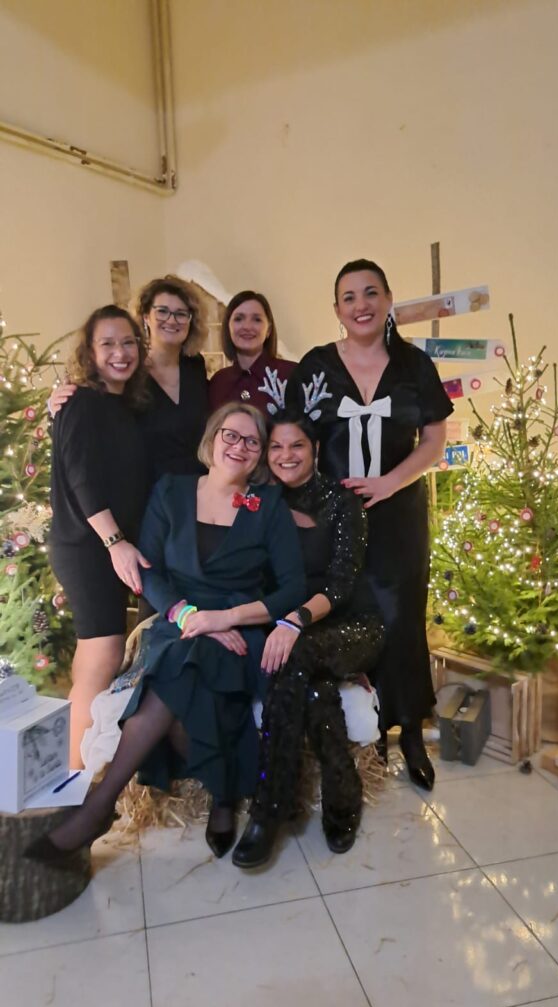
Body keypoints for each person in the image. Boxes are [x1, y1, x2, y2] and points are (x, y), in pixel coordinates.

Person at [26, 403, 306, 868]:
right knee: (180, 663)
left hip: (239, 630)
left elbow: (293, 588)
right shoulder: (171, 490)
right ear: (212, 439)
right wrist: (189, 615)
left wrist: (224, 619)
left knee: (179, 669)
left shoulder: (268, 505)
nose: (239, 447)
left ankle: (101, 806)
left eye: (252, 441)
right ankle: (221, 794)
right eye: (231, 435)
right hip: (179, 622)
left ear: (260, 455)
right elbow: (149, 570)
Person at [286, 259, 453, 791]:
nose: (361, 305)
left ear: (387, 299)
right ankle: (367, 730)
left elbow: (434, 440)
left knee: (401, 618)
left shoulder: (413, 365)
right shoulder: (315, 366)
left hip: (398, 512)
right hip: (333, 516)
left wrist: (389, 483)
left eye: (371, 292)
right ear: (337, 309)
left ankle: (408, 729)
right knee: (349, 614)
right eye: (349, 297)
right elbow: (294, 439)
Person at [232, 412, 386, 868]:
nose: (286, 455)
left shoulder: (343, 501)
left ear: (315, 450)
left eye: (296, 445)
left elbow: (341, 585)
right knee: (316, 691)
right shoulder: (258, 503)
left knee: (296, 653)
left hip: (351, 625)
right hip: (293, 630)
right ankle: (343, 795)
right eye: (276, 447)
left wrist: (295, 621)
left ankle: (268, 809)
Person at [48, 305, 150, 768]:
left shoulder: (122, 406)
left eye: (128, 342)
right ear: (90, 352)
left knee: (100, 653)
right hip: (88, 547)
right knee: (102, 652)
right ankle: (74, 774)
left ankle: (82, 765)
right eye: (107, 344)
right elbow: (81, 478)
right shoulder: (82, 402)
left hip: (108, 545)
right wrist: (115, 542)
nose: (120, 353)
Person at [48, 274, 209, 481]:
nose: (171, 320)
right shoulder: (126, 370)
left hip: (199, 486)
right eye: (162, 311)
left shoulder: (195, 366)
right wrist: (54, 408)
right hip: (148, 491)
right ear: (145, 316)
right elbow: (91, 418)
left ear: (191, 320)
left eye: (181, 314)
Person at [209, 290, 296, 415]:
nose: (247, 326)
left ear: (268, 330)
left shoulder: (292, 375)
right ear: (228, 327)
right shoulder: (218, 382)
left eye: (256, 319)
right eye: (239, 319)